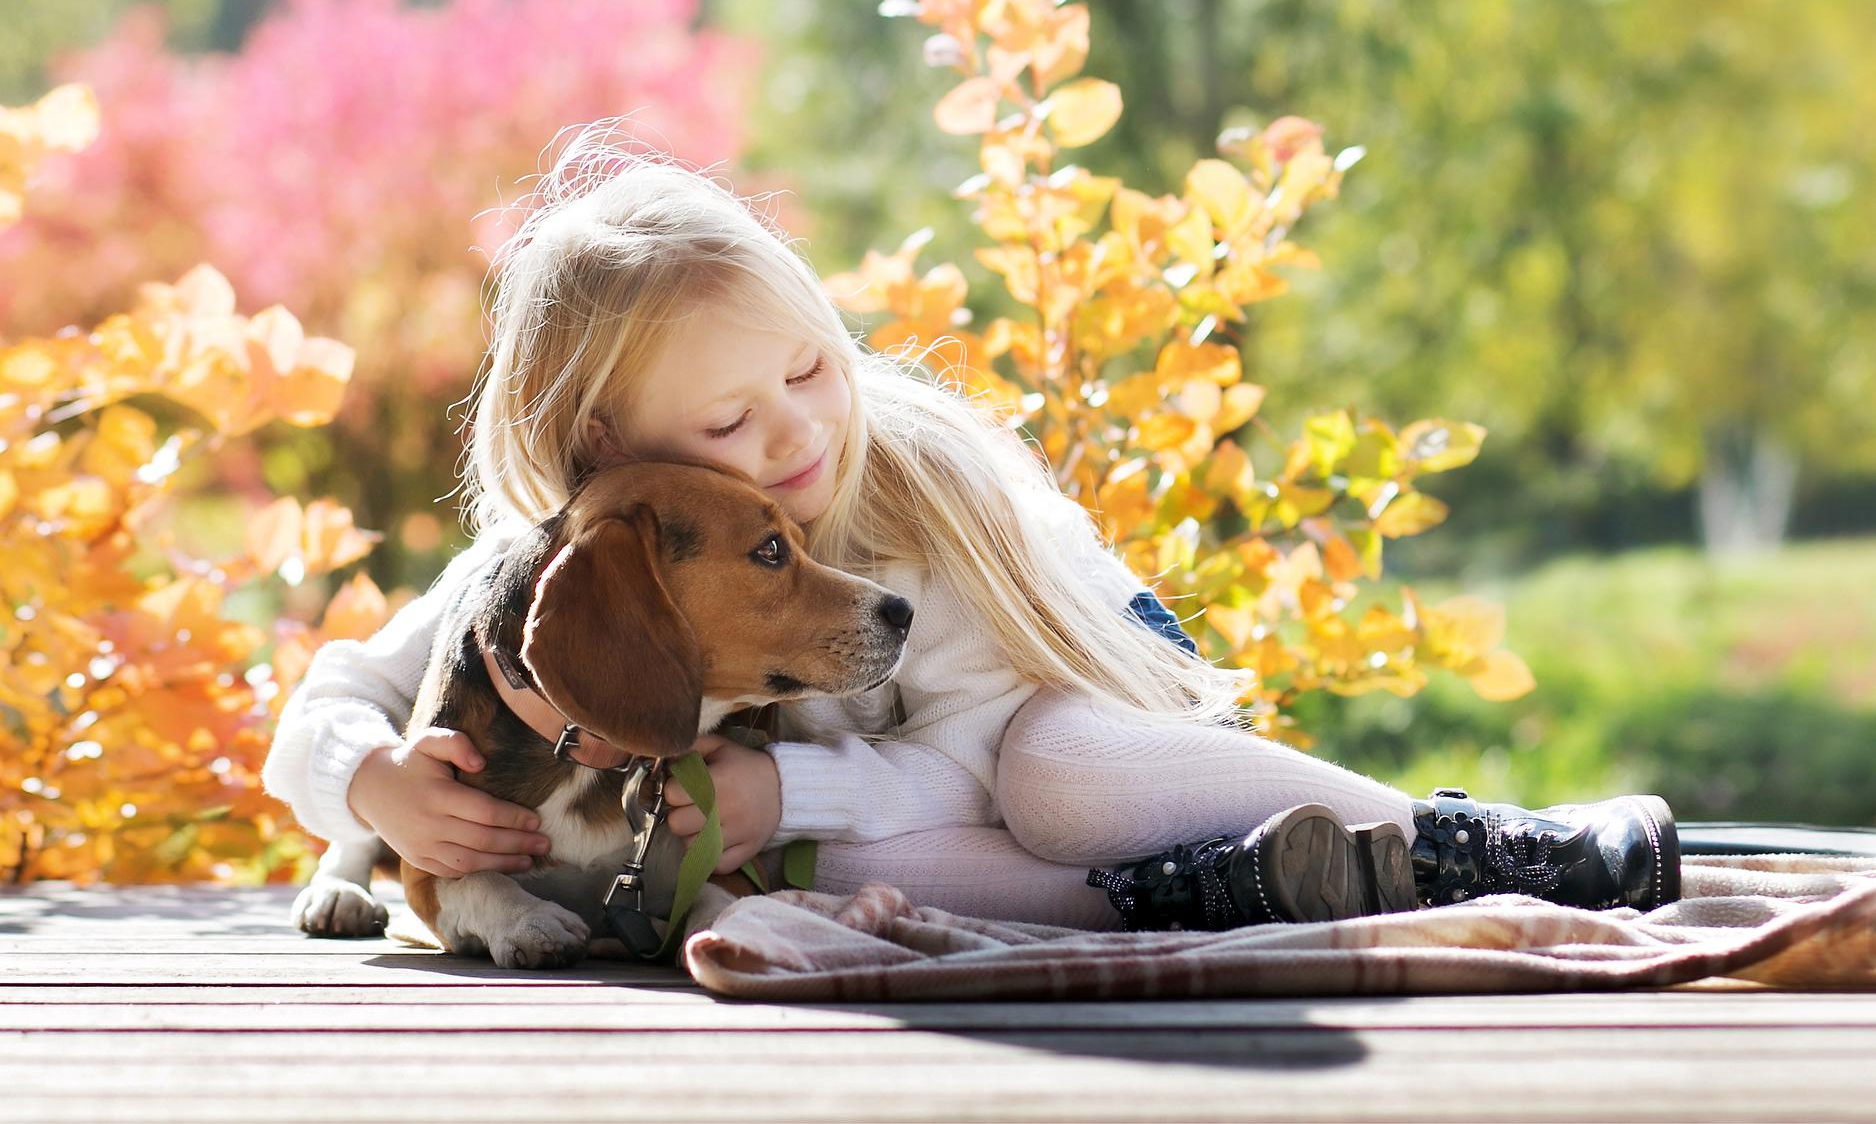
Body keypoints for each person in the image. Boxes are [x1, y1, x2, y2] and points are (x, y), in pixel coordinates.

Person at [261, 131, 1679, 935]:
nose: (798, 436)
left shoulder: (906, 499)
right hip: (959, 828)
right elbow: (331, 698)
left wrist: (782, 799)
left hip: (1095, 703)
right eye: (730, 429)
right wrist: (370, 788)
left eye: (809, 369)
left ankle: (1473, 840)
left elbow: (971, 754)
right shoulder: (561, 565)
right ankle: (1243, 893)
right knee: (835, 882)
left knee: (1043, 778)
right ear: (610, 466)